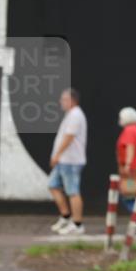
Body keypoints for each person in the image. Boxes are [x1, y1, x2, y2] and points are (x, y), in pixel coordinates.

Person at [49, 88, 88, 235]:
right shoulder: (70, 115)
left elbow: (69, 137)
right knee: (53, 185)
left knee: (72, 191)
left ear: (72, 100)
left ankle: (77, 224)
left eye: (64, 99)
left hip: (71, 161)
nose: (61, 102)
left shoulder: (76, 115)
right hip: (64, 160)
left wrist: (57, 155)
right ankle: (66, 216)